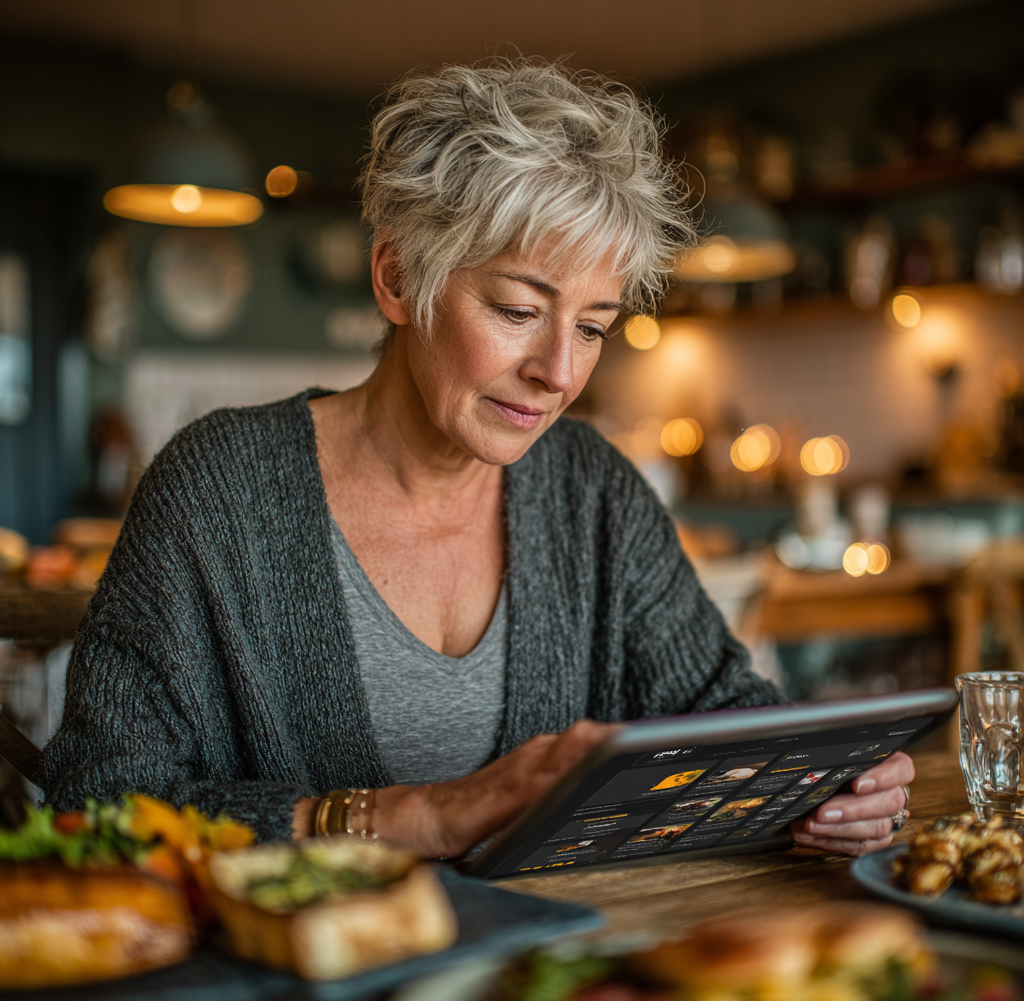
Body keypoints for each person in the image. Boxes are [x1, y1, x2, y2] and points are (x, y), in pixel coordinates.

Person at [42, 59, 911, 859]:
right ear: (396, 278)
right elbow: (98, 806)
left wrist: (826, 780)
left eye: (594, 327)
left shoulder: (590, 488)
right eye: (517, 309)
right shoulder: (219, 490)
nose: (558, 373)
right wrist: (414, 816)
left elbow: (728, 714)